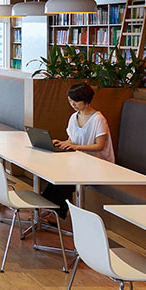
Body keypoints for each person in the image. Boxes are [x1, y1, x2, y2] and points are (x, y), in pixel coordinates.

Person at [42, 82, 114, 220]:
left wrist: (76, 147)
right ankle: (50, 210)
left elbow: (99, 146)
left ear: (86, 100)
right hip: (80, 162)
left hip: (99, 164)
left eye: (76, 101)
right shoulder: (74, 117)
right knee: (56, 175)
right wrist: (62, 143)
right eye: (70, 101)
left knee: (65, 178)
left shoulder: (98, 119)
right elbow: (71, 140)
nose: (73, 104)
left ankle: (55, 213)